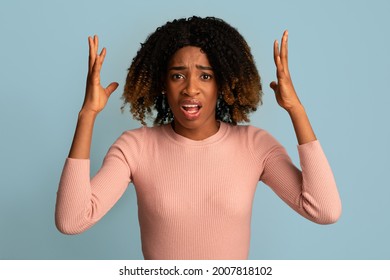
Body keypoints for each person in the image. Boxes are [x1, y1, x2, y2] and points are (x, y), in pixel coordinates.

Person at [55, 16, 342, 260]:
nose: (191, 89)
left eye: (205, 76)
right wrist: (87, 115)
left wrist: (296, 110)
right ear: (162, 84)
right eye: (178, 76)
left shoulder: (256, 146)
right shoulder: (135, 148)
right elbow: (72, 220)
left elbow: (324, 210)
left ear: (223, 83)